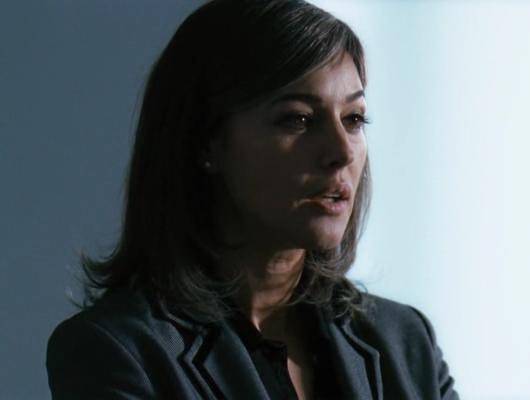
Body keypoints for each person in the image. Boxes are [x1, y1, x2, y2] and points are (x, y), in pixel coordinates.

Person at [45, 0, 459, 399]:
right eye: (298, 119)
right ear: (206, 141)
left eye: (353, 119)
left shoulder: (405, 342)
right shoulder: (120, 350)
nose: (342, 152)